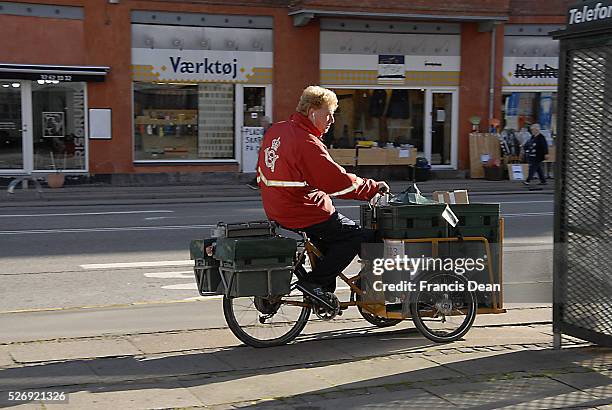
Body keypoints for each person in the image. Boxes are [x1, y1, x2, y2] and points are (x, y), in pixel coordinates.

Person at [256, 86, 389, 307]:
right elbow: (337, 182)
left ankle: (323, 294)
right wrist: (372, 188)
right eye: (328, 114)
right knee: (357, 236)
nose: (331, 120)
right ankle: (315, 284)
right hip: (303, 210)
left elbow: (261, 171)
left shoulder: (277, 131)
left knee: (331, 238)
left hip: (278, 208)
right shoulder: (306, 142)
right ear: (312, 111)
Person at [247, 116, 272, 190]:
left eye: (262, 122)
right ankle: (257, 183)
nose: (261, 124)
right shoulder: (266, 130)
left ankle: (256, 183)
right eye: (261, 122)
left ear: (266, 122)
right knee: (263, 167)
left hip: (268, 152)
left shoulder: (270, 129)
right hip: (265, 151)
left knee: (263, 167)